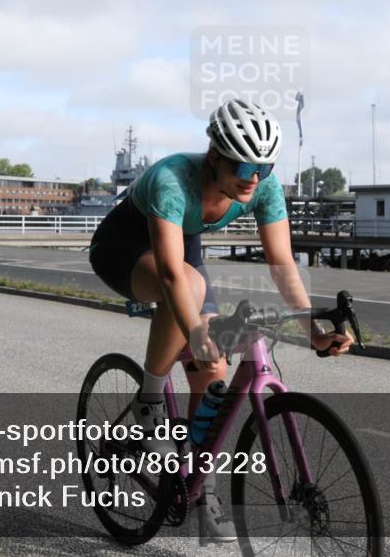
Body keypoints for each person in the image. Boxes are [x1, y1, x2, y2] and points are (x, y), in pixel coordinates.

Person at [89, 99, 354, 541]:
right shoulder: (172, 180)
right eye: (244, 165)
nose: (254, 177)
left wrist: (314, 332)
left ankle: (200, 490)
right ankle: (150, 402)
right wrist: (195, 330)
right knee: (190, 292)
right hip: (123, 247)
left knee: (212, 371)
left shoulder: (262, 188)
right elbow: (173, 275)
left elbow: (282, 263)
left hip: (180, 247)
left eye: (264, 168)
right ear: (215, 157)